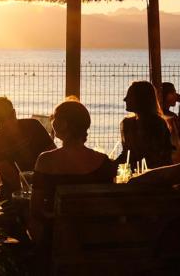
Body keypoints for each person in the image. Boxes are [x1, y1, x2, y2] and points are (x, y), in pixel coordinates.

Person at [30, 99, 116, 243]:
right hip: (95, 238)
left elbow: (36, 210)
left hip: (57, 238)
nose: (52, 121)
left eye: (55, 117)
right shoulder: (103, 161)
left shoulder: (46, 160)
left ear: (64, 124)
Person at [0, 97, 55, 201]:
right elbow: (14, 180)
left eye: (10, 116)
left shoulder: (33, 126)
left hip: (45, 188)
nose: (7, 122)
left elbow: (52, 156)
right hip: (13, 195)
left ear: (14, 113)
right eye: (0, 120)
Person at [118, 81, 173, 169]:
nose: (125, 99)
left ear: (141, 98)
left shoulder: (157, 125)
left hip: (155, 175)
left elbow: (156, 158)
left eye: (129, 96)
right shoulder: (127, 124)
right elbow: (126, 155)